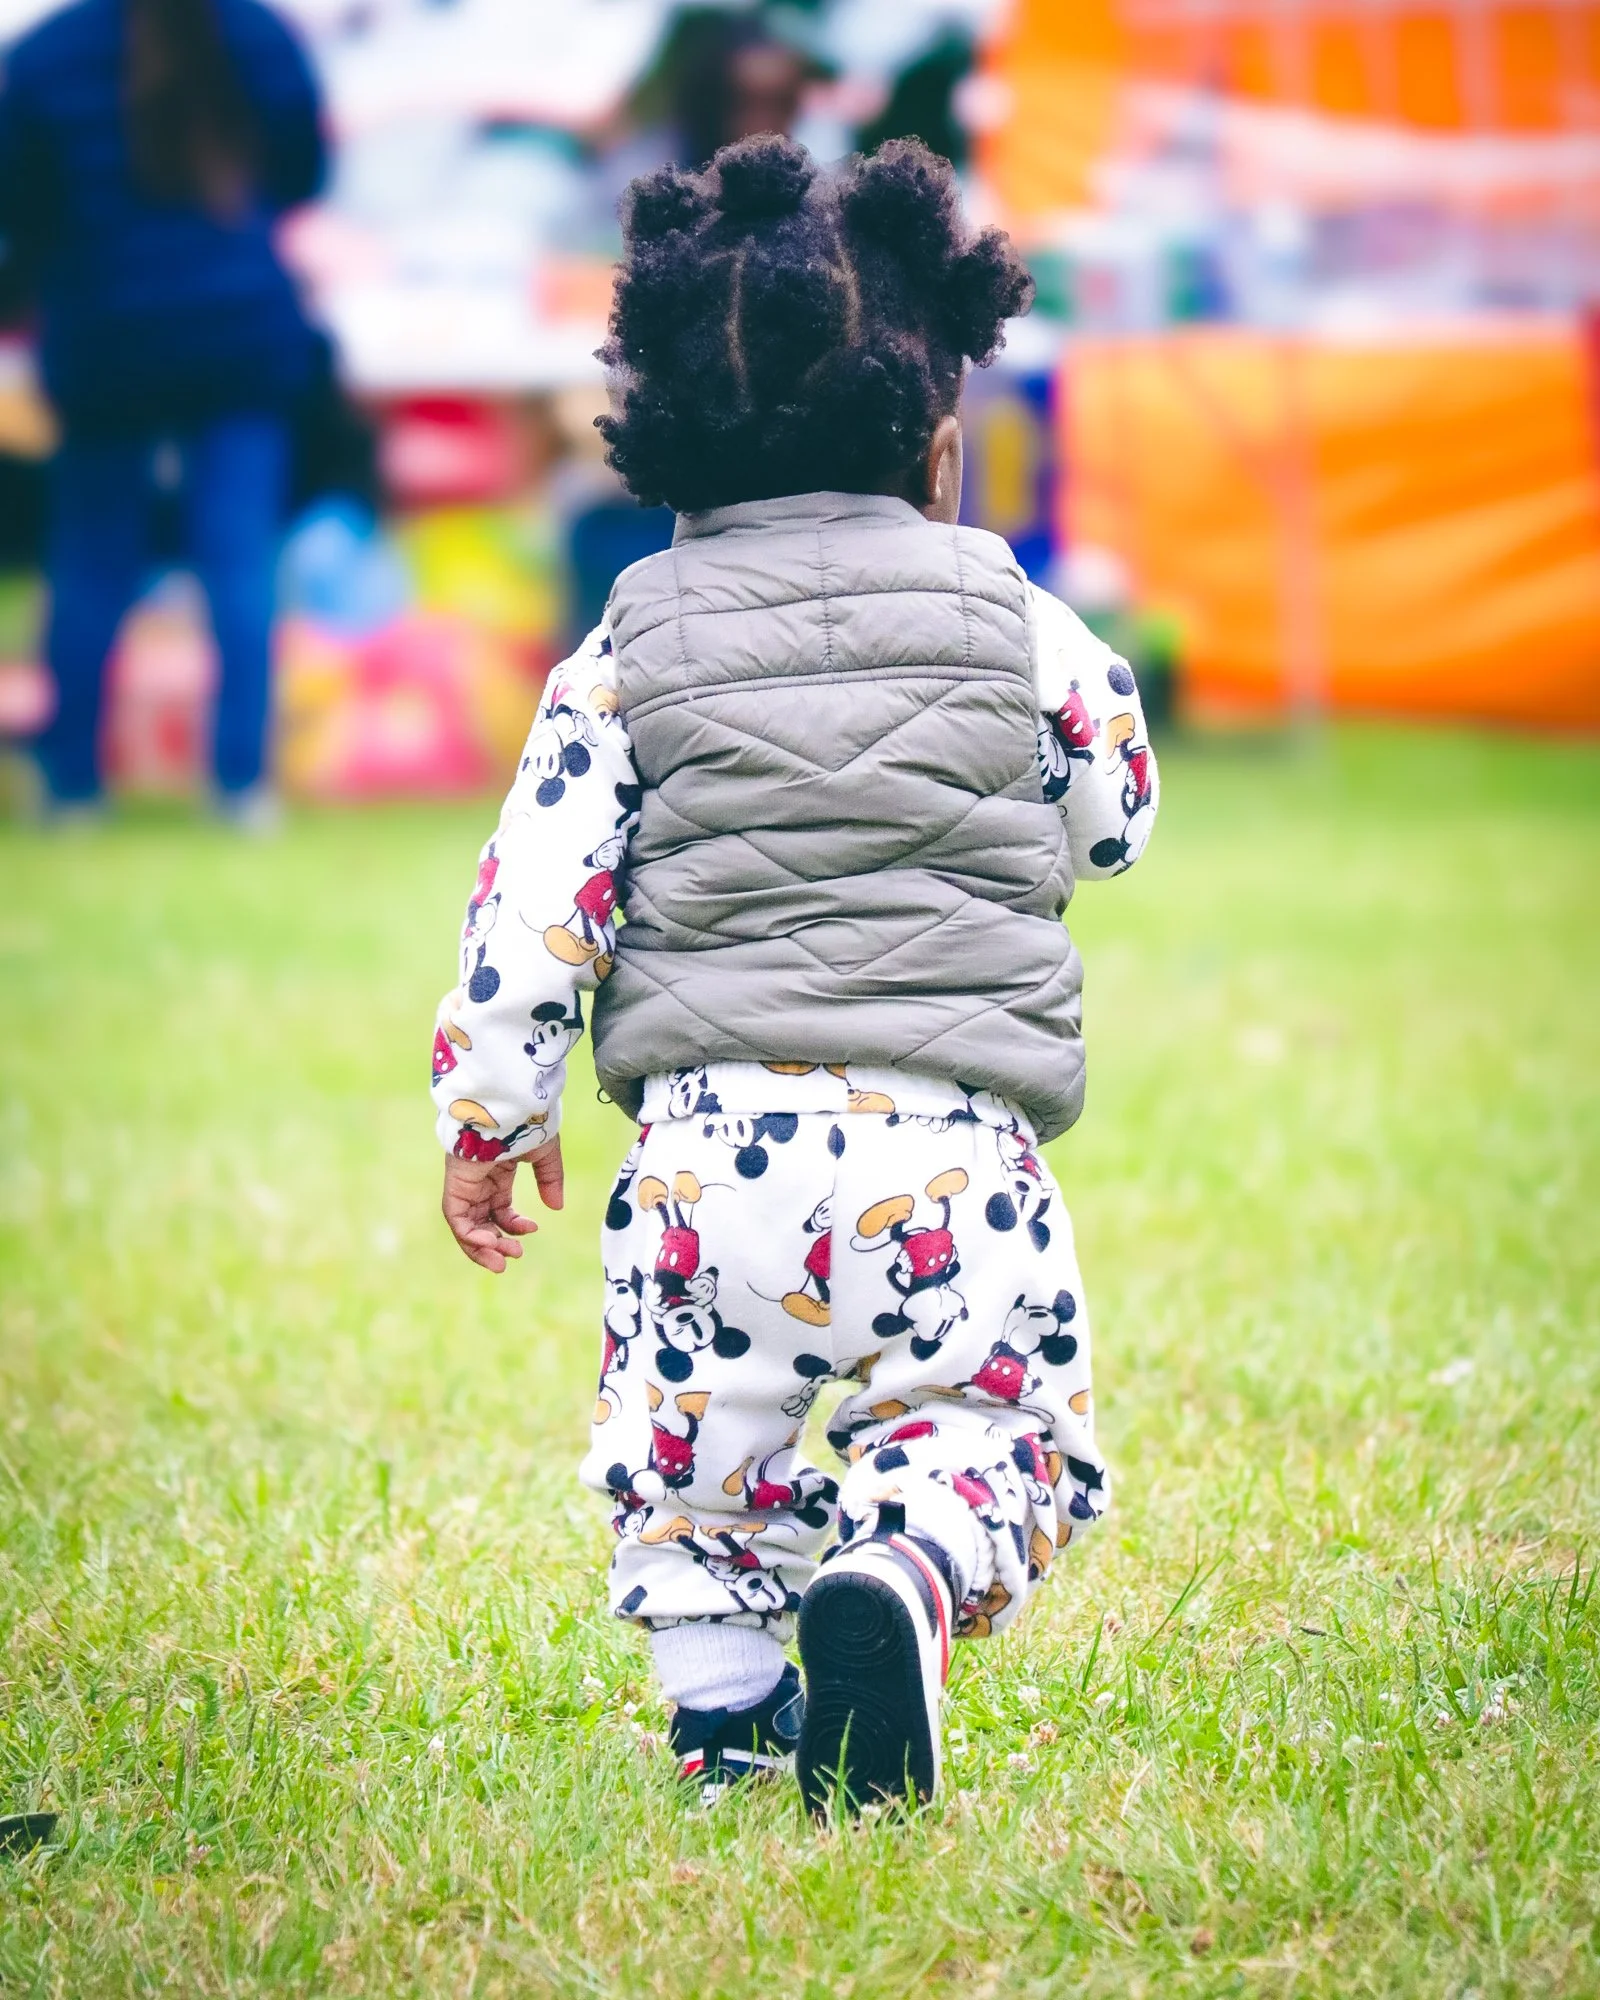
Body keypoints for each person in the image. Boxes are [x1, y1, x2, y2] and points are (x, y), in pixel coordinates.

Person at [432, 136, 1159, 1814]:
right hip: (946, 1152)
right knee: (992, 1429)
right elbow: (1115, 810)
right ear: (933, 426)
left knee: (695, 1472)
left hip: (701, 1160)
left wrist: (493, 1106)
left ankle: (725, 1736)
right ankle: (904, 1581)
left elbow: (538, 899)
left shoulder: (628, 640)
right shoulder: (1015, 613)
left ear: (662, 429)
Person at [0, 0, 326, 821]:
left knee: (91, 562)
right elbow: (304, 171)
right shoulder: (252, 31)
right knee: (238, 560)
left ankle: (71, 784)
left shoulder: (45, 54)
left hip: (104, 336)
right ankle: (242, 784)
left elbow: (22, 208)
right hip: (236, 330)